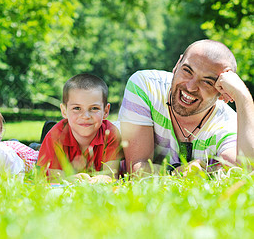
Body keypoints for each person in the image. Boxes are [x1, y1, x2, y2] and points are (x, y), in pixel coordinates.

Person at [118, 39, 254, 175]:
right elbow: (136, 169)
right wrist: (178, 173)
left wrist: (243, 97)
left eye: (207, 82)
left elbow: (247, 171)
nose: (190, 87)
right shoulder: (146, 87)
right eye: (187, 71)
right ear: (177, 64)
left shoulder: (227, 124)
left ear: (222, 91)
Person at [36, 73, 123, 179]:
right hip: (55, 139)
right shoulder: (55, 135)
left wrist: (99, 179)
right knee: (33, 155)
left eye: (94, 108)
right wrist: (72, 179)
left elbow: (111, 174)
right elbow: (50, 175)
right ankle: (37, 146)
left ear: (105, 111)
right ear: (64, 111)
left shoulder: (110, 133)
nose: (85, 116)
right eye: (77, 108)